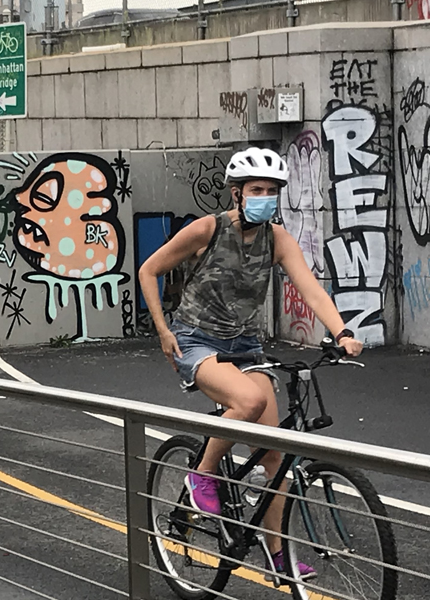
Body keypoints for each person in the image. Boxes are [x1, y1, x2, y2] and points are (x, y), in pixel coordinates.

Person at [138, 147, 364, 580]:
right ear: (238, 193)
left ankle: (277, 557)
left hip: (244, 345)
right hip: (195, 341)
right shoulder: (207, 230)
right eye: (256, 189)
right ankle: (202, 476)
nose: (264, 196)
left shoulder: (277, 239)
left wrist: (342, 333)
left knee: (275, 457)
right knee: (247, 402)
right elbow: (150, 270)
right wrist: (164, 332)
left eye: (271, 191)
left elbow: (311, 289)